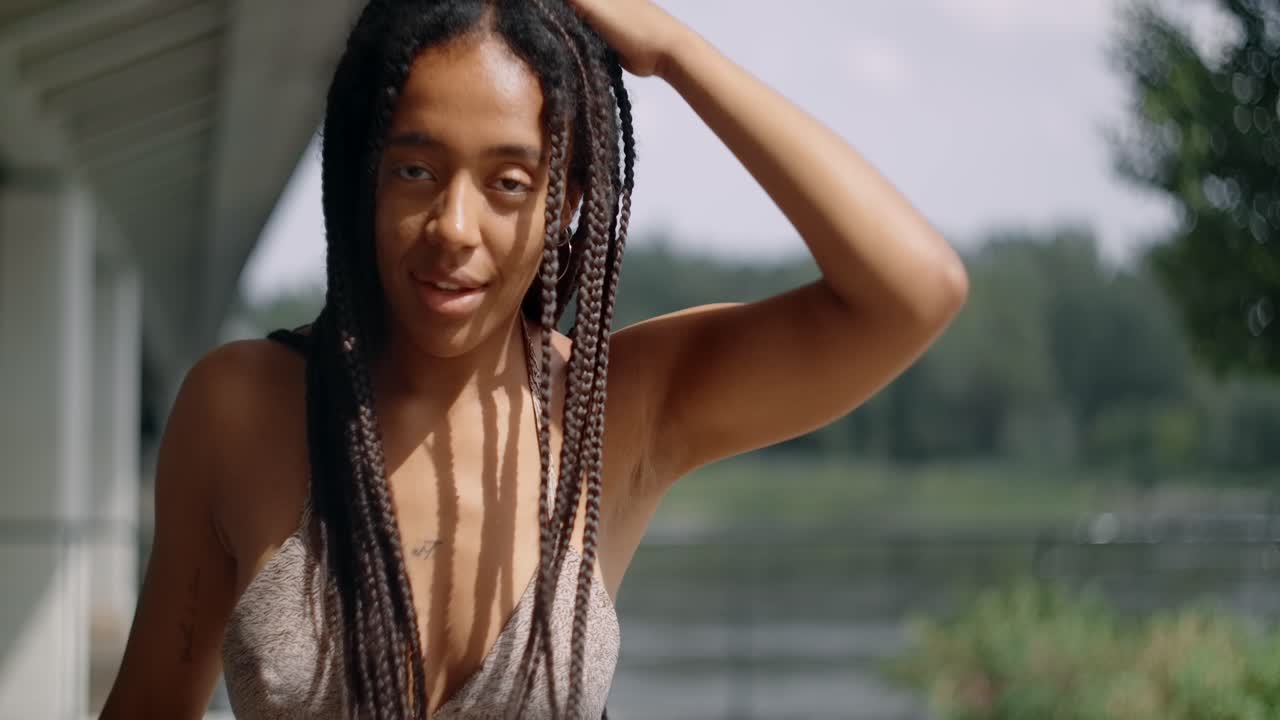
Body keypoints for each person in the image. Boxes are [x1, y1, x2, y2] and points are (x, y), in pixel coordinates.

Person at [100, 0, 968, 717]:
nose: (454, 227)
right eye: (413, 171)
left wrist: (674, 50)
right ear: (362, 176)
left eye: (509, 183)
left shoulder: (618, 407)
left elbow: (913, 291)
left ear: (568, 201)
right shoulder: (241, 407)